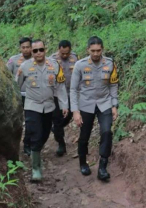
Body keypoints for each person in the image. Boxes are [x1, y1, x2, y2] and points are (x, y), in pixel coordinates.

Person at [16, 40, 69, 182]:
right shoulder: (24, 67)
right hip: (32, 105)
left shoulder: (54, 65)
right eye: (35, 51)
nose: (38, 53)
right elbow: (17, 86)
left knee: (45, 133)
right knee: (35, 133)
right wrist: (16, 105)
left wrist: (64, 105)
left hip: (49, 106)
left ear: (45, 50)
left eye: (41, 50)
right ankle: (36, 169)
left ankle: (37, 150)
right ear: (32, 53)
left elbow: (60, 87)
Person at [70, 36, 119, 182]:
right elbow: (73, 89)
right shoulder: (80, 65)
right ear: (88, 50)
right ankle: (83, 162)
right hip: (86, 104)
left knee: (106, 132)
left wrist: (114, 105)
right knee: (84, 135)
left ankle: (102, 167)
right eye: (93, 51)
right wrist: (75, 111)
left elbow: (113, 85)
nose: (96, 54)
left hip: (105, 103)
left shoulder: (109, 63)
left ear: (102, 49)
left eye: (98, 50)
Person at [49, 40, 79, 157]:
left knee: (69, 115)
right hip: (56, 94)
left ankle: (57, 129)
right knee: (57, 118)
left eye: (67, 53)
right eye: (63, 53)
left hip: (71, 93)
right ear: (59, 49)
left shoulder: (75, 58)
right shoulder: (51, 60)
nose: (65, 55)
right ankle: (61, 144)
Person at [6, 37, 32, 104]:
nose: (25, 49)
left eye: (27, 47)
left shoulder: (36, 60)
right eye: (23, 47)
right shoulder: (13, 60)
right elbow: (6, 74)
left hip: (33, 96)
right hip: (18, 95)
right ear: (20, 48)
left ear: (31, 47)